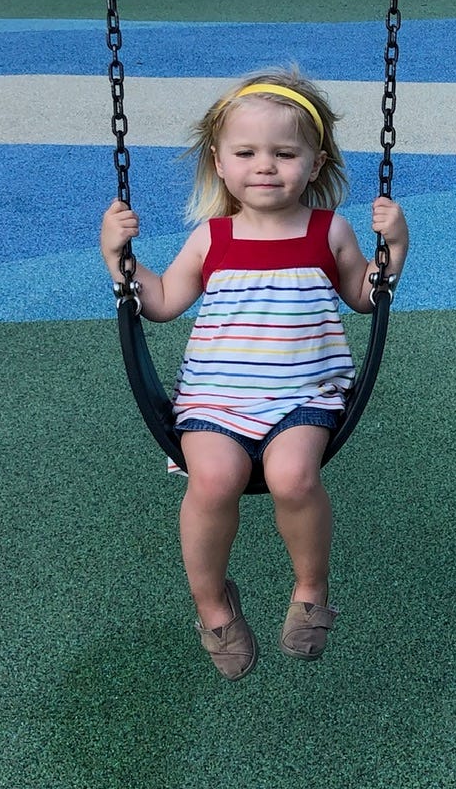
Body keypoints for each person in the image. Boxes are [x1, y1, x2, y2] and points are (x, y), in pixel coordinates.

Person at [99, 72, 409, 682]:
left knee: (294, 476)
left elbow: (366, 298)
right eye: (246, 153)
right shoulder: (212, 238)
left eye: (284, 154)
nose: (264, 167)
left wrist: (394, 248)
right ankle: (213, 606)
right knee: (212, 480)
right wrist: (119, 258)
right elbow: (160, 303)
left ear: (315, 164)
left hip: (304, 395)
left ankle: (311, 591)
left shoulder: (331, 232)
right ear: (219, 162)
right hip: (215, 399)